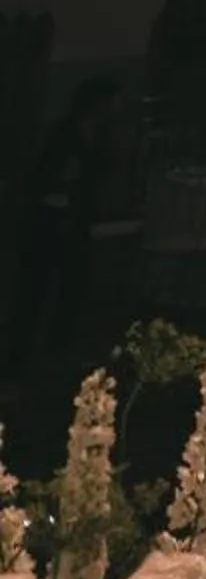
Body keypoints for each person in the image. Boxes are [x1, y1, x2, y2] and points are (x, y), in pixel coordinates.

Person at [12, 78, 122, 364]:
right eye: (113, 102)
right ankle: (22, 351)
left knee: (72, 282)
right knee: (37, 285)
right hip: (50, 219)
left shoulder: (98, 135)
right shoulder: (65, 135)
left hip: (75, 219)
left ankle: (57, 344)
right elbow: (48, 177)